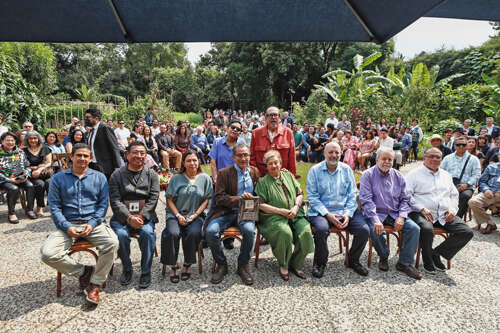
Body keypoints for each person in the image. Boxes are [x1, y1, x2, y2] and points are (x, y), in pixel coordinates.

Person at [40, 143, 119, 305]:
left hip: (93, 223)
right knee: (47, 253)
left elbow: (103, 205)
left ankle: (95, 284)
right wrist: (66, 226)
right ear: (71, 157)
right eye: (79, 155)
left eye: (86, 156)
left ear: (90, 159)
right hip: (67, 224)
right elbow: (54, 207)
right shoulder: (58, 179)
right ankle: (84, 272)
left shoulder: (99, 177)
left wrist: (92, 223)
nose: (82, 158)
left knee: (112, 243)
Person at [306, 142, 370, 278]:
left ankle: (353, 260)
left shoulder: (347, 170)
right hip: (321, 212)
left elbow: (352, 195)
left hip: (344, 210)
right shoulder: (315, 171)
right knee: (321, 230)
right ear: (324, 153)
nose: (334, 155)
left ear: (341, 154)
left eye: (337, 153)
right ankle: (320, 262)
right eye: (331, 152)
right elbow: (312, 197)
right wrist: (328, 215)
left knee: (364, 230)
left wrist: (347, 215)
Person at [406, 147, 474, 274]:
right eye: (431, 156)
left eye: (438, 157)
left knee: (466, 232)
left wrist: (453, 210)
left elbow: (454, 195)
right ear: (424, 158)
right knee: (427, 229)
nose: (434, 159)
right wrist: (421, 208)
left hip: (444, 214)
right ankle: (427, 261)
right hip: (421, 212)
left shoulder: (446, 175)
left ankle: (436, 253)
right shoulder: (414, 174)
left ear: (441, 160)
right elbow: (406, 195)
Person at [359, 148, 421, 279]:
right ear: (377, 160)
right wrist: (375, 219)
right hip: (376, 213)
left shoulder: (398, 176)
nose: (387, 162)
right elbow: (366, 200)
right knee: (374, 229)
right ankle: (384, 255)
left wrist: (402, 216)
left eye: (390, 159)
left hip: (394, 214)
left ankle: (405, 263)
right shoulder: (368, 175)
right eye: (384, 159)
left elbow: (405, 199)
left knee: (414, 228)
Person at [255, 150, 314, 281]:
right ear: (266, 166)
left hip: (295, 213)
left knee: (305, 231)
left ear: (280, 163)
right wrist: (280, 211)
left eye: (276, 162)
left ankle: (296, 263)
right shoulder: (263, 182)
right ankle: (284, 264)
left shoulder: (289, 176)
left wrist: (296, 207)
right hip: (274, 217)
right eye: (270, 164)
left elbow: (300, 194)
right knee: (284, 232)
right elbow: (260, 205)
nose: (274, 166)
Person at [204, 143, 259, 285]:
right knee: (211, 231)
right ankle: (222, 264)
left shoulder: (254, 172)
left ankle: (242, 266)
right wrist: (239, 199)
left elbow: (259, 194)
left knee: (248, 231)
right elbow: (219, 197)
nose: (243, 158)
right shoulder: (224, 173)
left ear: (249, 156)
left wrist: (255, 200)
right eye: (239, 155)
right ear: (233, 157)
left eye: (246, 154)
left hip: (246, 213)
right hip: (225, 212)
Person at [109, 141, 159, 288]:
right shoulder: (116, 175)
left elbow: (153, 199)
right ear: (127, 155)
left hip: (145, 216)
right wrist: (129, 218)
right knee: (122, 235)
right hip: (122, 217)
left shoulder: (151, 175)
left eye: (142, 153)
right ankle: (127, 268)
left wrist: (141, 217)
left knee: (148, 233)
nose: (139, 156)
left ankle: (145, 271)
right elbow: (115, 200)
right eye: (135, 152)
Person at [161, 150, 213, 283]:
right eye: (189, 160)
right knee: (172, 233)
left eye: (195, 160)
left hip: (195, 214)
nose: (192, 163)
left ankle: (187, 263)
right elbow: (169, 199)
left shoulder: (205, 178)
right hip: (175, 213)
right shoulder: (176, 178)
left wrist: (195, 215)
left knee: (194, 232)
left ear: (199, 161)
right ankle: (173, 265)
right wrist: (178, 215)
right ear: (183, 163)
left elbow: (206, 200)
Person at [440, 136, 481, 218]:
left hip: (466, 186)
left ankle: (456, 218)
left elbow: (477, 174)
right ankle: (441, 216)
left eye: (463, 144)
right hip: (448, 185)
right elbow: (440, 172)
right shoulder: (447, 158)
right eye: (458, 145)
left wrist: (467, 184)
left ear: (466, 146)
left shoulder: (474, 159)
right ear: (454, 146)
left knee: (465, 196)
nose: (461, 146)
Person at [250, 106, 296, 177]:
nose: (273, 117)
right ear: (265, 118)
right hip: (261, 178)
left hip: (282, 178)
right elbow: (252, 157)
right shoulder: (256, 133)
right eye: (270, 115)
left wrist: (291, 178)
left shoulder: (288, 133)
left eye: (275, 115)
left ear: (280, 118)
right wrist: (256, 175)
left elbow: (292, 158)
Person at [0, 132, 35, 223]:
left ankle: (30, 209)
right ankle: (11, 213)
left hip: (19, 177)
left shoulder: (19, 151)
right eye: (7, 140)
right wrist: (9, 179)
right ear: (2, 141)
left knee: (30, 186)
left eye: (12, 140)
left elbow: (27, 166)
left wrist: (26, 175)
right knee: (13, 188)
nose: (10, 142)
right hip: (4, 179)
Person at [468, 151, 500, 234]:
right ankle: (490, 223)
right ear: (498, 156)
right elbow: (482, 181)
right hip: (491, 192)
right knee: (473, 202)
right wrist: (486, 190)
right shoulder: (491, 167)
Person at [85, 108, 122, 179]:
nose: (86, 119)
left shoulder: (105, 128)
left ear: (96, 118)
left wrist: (117, 166)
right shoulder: (91, 131)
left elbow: (114, 147)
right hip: (92, 165)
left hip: (105, 167)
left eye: (88, 117)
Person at [23, 131, 52, 217]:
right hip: (32, 174)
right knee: (40, 184)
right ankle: (39, 207)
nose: (33, 140)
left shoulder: (45, 148)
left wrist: (39, 169)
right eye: (30, 138)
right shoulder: (23, 151)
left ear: (38, 139)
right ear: (27, 140)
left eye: (35, 138)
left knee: (50, 182)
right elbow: (24, 165)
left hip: (45, 172)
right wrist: (33, 168)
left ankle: (55, 206)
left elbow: (48, 162)